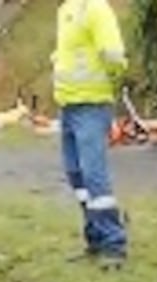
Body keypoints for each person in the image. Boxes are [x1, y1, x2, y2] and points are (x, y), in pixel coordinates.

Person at [52, 0, 129, 263]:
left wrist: (112, 80)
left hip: (92, 105)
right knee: (77, 175)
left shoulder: (95, 8)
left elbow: (113, 54)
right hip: (68, 104)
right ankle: (95, 237)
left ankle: (113, 243)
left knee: (94, 175)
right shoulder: (66, 10)